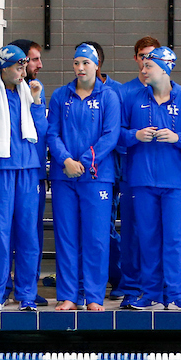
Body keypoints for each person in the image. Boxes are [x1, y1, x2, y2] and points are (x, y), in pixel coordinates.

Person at [120, 46, 181, 309]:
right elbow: (116, 133)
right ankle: (150, 292)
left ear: (165, 68)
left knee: (176, 239)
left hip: (174, 181)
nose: (143, 70)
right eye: (143, 65)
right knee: (148, 239)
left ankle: (176, 294)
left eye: (149, 66)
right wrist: (135, 135)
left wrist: (178, 138)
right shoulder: (132, 99)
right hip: (142, 180)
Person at [46, 43, 121, 312]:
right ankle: (68, 295)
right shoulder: (60, 95)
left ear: (96, 65)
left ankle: (94, 296)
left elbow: (110, 135)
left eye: (86, 63)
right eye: (76, 62)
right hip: (64, 175)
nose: (80, 68)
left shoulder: (109, 97)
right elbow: (52, 133)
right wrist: (65, 160)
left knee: (96, 238)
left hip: (96, 176)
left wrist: (85, 162)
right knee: (66, 236)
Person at [0, 44, 47, 311]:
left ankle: (26, 294)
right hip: (0, 168)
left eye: (24, 66)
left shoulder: (30, 91)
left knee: (28, 235)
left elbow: (42, 129)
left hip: (28, 168)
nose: (23, 72)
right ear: (2, 69)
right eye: (18, 67)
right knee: (0, 235)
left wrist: (36, 101)